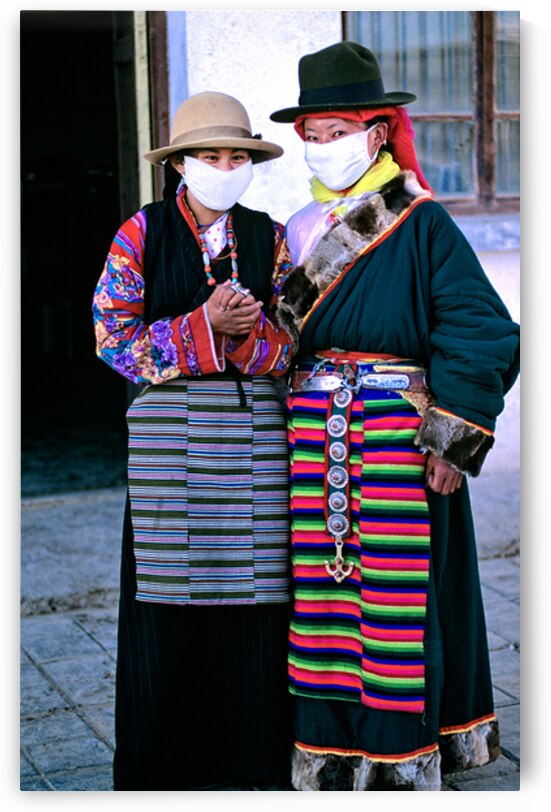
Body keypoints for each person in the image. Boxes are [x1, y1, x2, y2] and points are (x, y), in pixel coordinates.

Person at [269, 41, 520, 791]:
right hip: (311, 441)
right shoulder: (297, 229)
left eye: (336, 129)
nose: (323, 145)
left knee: (392, 601)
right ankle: (328, 745)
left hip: (394, 441)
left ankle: (400, 755)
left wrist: (450, 438)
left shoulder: (420, 224)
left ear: (375, 133)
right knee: (319, 598)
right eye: (311, 134)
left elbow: (479, 328)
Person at [92, 91, 296, 790]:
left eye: (236, 155)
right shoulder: (139, 235)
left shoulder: (271, 237)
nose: (224, 166)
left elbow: (295, 345)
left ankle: (252, 768)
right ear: (179, 163)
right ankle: (165, 777)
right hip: (170, 452)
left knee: (257, 604)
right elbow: (111, 340)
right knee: (167, 606)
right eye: (209, 155)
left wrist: (248, 336)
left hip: (255, 444)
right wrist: (204, 324)